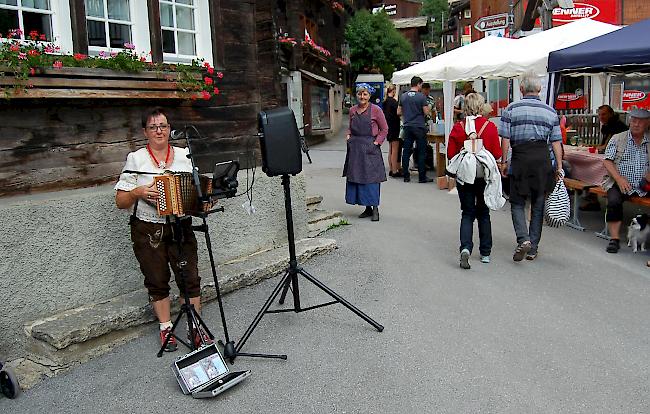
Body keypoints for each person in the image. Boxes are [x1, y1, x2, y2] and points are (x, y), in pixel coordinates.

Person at [115, 107, 204, 352]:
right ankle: (166, 327)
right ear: (145, 132)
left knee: (190, 277)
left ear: (169, 129)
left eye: (163, 126)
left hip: (181, 224)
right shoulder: (136, 159)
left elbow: (196, 190)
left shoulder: (185, 155)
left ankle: (194, 326)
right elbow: (120, 201)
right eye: (153, 127)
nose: (159, 131)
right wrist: (138, 192)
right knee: (156, 278)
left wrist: (205, 198)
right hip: (147, 227)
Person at [498, 74, 563, 262]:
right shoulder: (550, 111)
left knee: (517, 202)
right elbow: (557, 142)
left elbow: (505, 139)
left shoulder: (511, 109)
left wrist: (504, 162)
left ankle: (523, 238)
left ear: (521, 89)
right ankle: (533, 247)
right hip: (542, 159)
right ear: (540, 89)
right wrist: (559, 166)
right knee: (538, 203)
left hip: (521, 158)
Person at [448, 93, 502, 269]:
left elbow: (450, 153)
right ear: (481, 107)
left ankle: (465, 248)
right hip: (484, 175)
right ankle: (485, 253)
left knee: (467, 212)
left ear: (465, 108)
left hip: (465, 176)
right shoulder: (490, 127)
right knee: (484, 213)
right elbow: (497, 153)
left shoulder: (458, 127)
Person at [601, 108, 650, 253]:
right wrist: (619, 178)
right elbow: (607, 161)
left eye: (640, 122)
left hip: (644, 185)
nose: (636, 124)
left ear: (647, 123)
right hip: (620, 182)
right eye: (634, 121)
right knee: (614, 201)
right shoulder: (618, 138)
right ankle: (614, 239)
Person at [343, 84, 389, 222]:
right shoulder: (352, 110)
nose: (362, 97)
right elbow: (350, 127)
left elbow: (384, 129)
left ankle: (375, 209)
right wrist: (349, 135)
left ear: (369, 96)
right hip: (356, 149)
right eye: (359, 94)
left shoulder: (376, 110)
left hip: (370, 148)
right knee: (358, 177)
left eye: (365, 94)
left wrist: (377, 143)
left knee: (371, 179)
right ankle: (367, 208)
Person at [579, 105, 630, 211]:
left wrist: (592, 147)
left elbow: (606, 146)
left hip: (620, 161)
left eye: (604, 114)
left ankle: (594, 200)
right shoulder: (607, 126)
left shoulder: (617, 126)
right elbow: (603, 145)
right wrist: (592, 146)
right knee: (588, 168)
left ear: (611, 114)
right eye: (599, 115)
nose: (601, 117)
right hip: (610, 157)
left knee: (590, 168)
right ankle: (592, 199)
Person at [398, 76, 432, 183]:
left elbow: (398, 112)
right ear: (418, 84)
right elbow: (426, 112)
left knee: (407, 151)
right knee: (421, 151)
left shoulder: (403, 96)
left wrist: (407, 114)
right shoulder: (421, 97)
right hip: (419, 126)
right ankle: (422, 177)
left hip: (407, 126)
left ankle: (406, 176)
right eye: (421, 85)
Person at [383, 84, 402, 177]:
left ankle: (391, 169)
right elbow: (399, 113)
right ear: (393, 91)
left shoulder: (385, 102)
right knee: (395, 149)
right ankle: (394, 170)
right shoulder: (394, 102)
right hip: (395, 126)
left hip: (388, 127)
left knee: (390, 149)